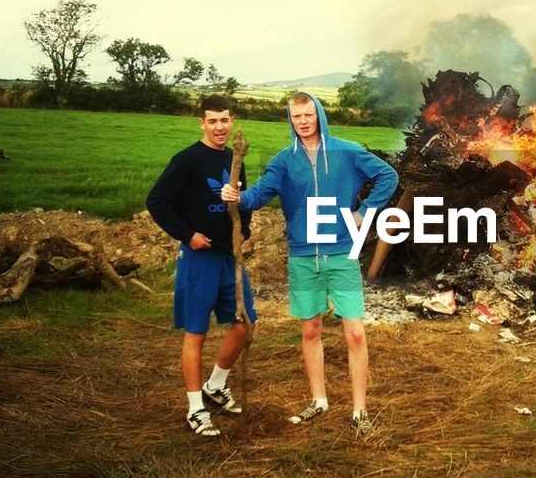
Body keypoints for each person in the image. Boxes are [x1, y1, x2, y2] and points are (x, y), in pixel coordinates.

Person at [225, 92, 398, 433]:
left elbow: (388, 176)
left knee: (356, 333)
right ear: (290, 119)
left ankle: (360, 410)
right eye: (296, 116)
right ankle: (318, 401)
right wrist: (238, 197)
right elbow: (258, 195)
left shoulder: (346, 151)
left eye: (308, 114)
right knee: (310, 329)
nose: (303, 121)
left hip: (342, 254)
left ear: (318, 114)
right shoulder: (283, 161)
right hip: (304, 258)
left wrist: (364, 213)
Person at [146, 94, 257, 436]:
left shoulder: (235, 157)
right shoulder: (188, 160)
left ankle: (215, 385)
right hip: (199, 259)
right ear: (202, 123)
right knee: (197, 332)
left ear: (232, 120)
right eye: (212, 121)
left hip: (230, 257)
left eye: (224, 120)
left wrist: (246, 231)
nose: (219, 127)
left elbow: (243, 202)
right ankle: (195, 408)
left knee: (244, 324)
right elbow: (157, 202)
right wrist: (187, 234)